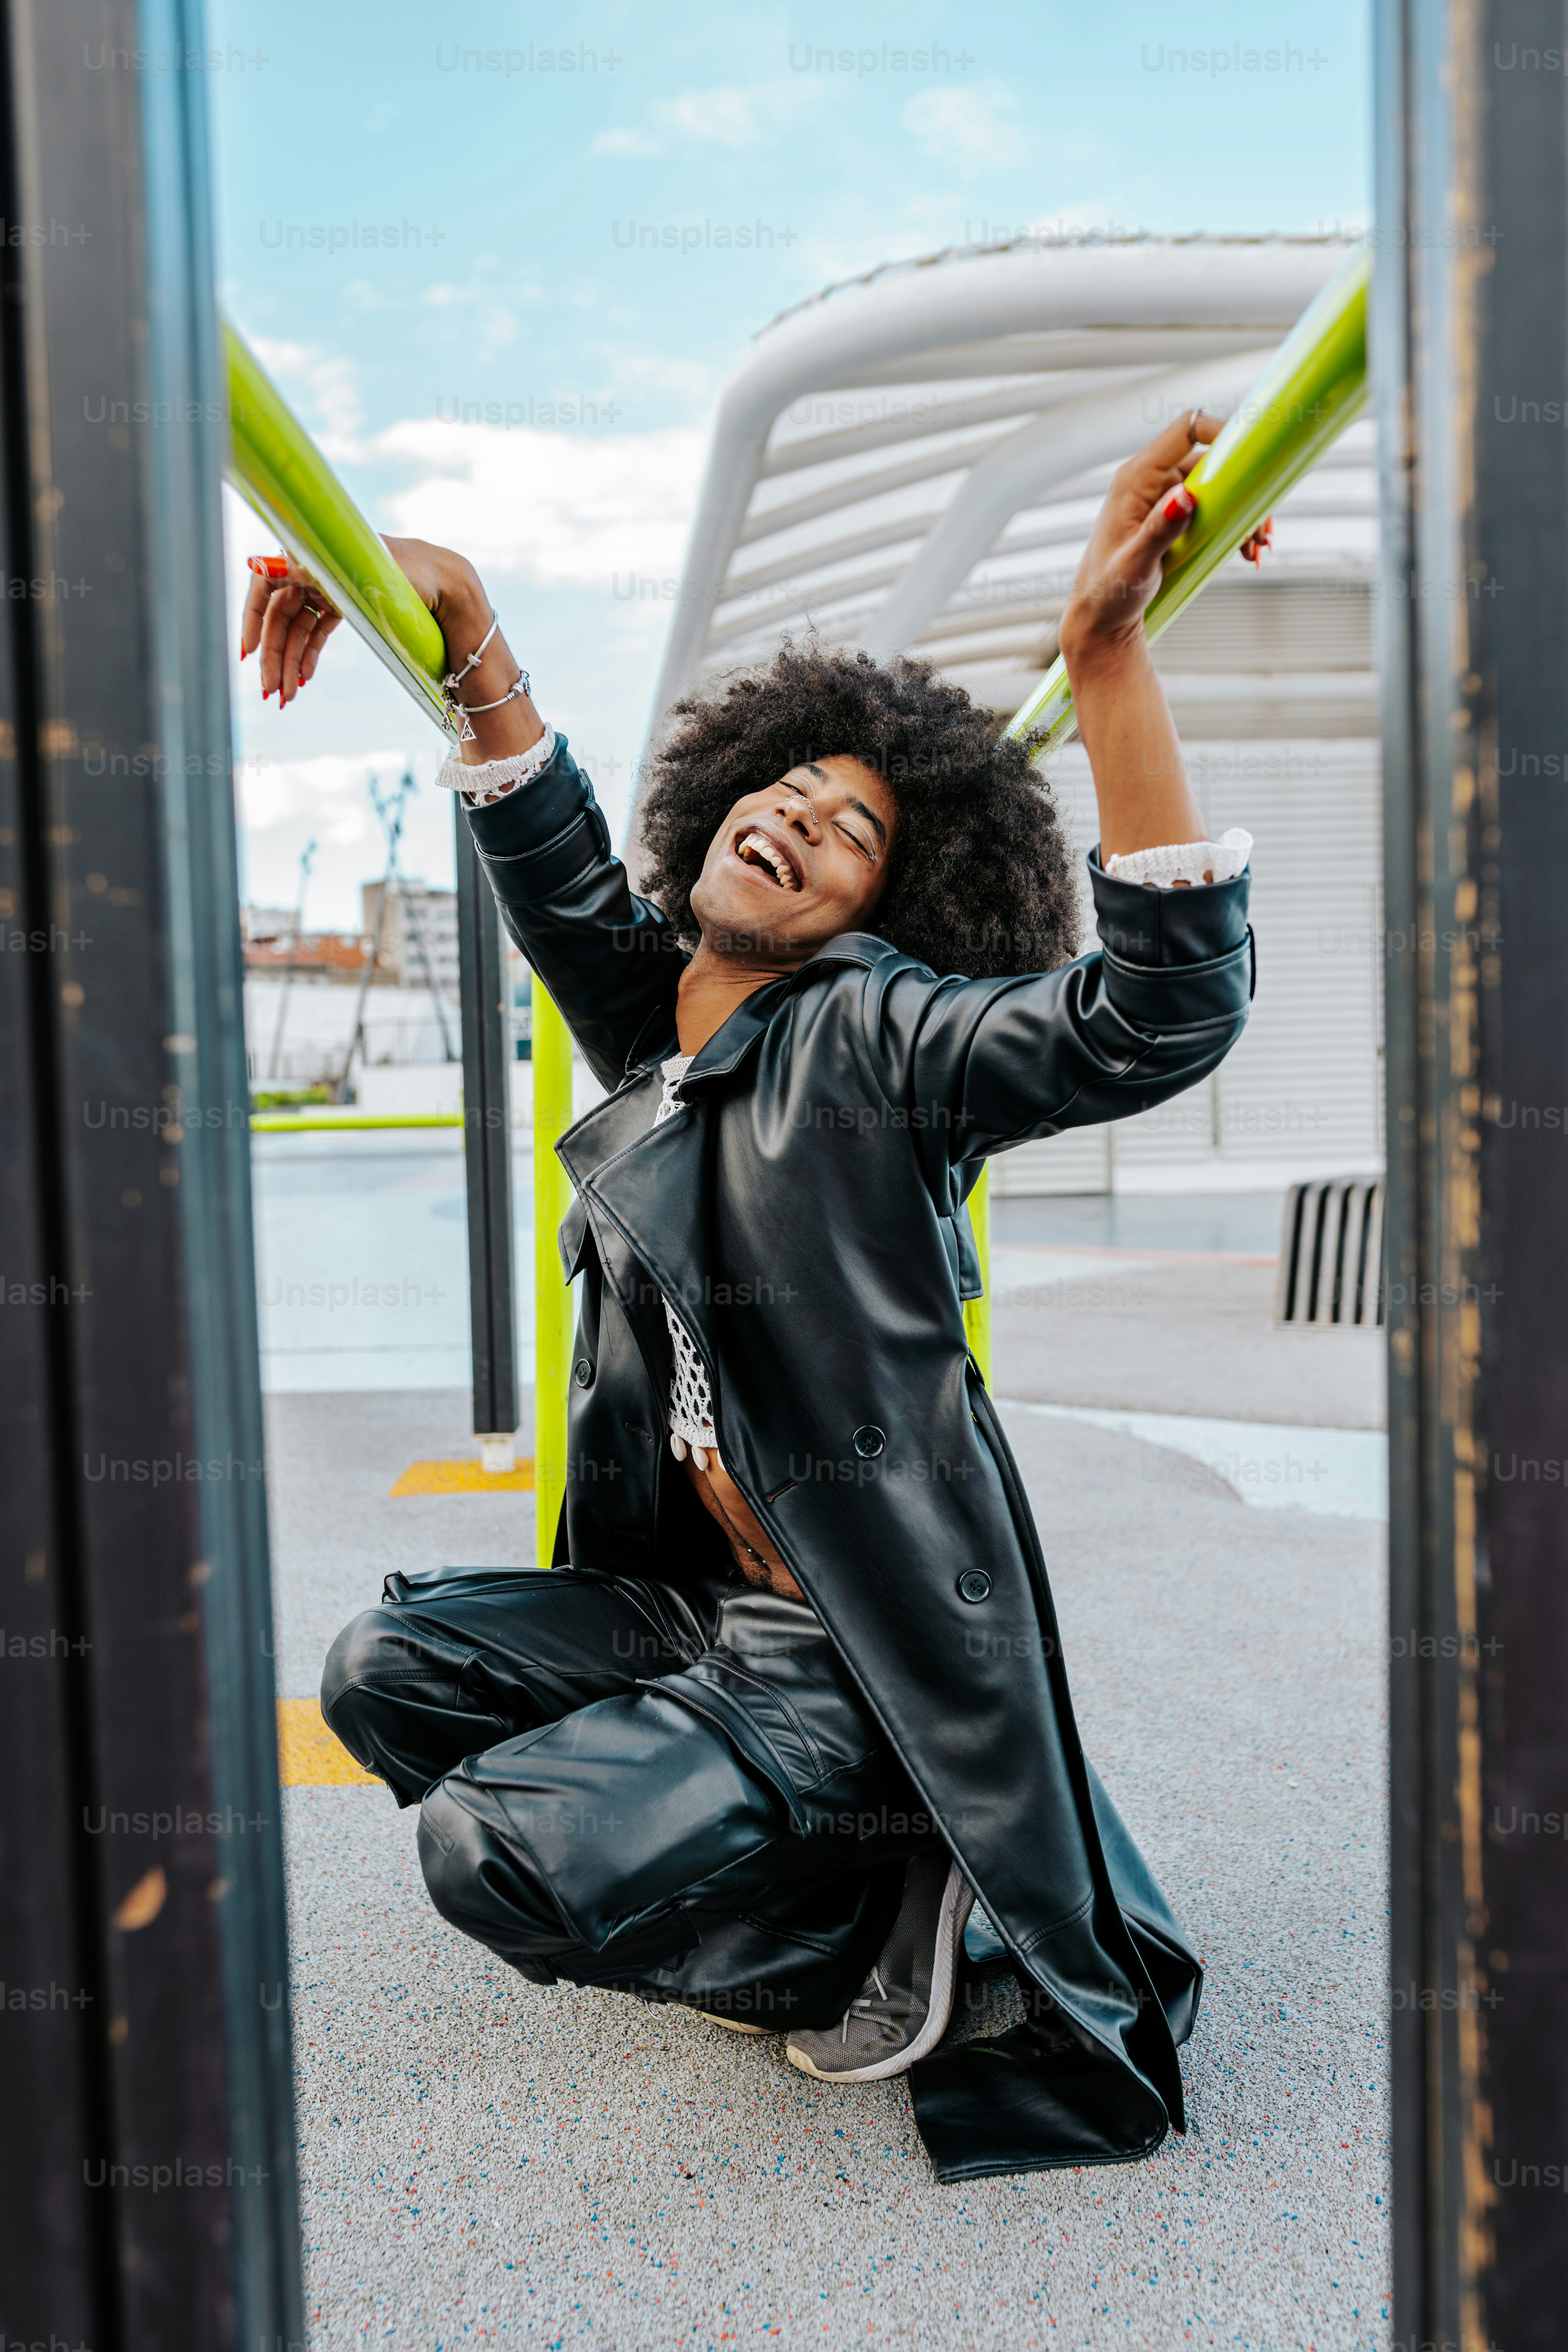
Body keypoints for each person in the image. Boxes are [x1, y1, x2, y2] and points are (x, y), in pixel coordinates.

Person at [243, 412, 1260, 2182]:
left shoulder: (876, 1042)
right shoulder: (667, 1028)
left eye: (854, 829)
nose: (795, 808)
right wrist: (450, 603)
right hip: (691, 1614)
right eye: (788, 783)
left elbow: (1150, 1017)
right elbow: (550, 861)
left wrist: (1104, 657)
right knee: (386, 1670)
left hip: (848, 1652)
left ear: (896, 909)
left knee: (501, 1851)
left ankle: (885, 1945)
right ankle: (852, 1882)